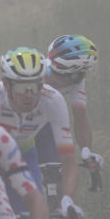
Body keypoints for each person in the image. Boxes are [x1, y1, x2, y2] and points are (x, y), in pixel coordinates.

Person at [0, 47, 83, 219]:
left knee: (36, 218)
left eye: (36, 86)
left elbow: (68, 162)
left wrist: (68, 200)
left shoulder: (53, 100)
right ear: (6, 85)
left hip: (24, 155)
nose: (30, 94)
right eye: (23, 87)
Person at [43, 35, 103, 169]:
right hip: (19, 125)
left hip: (46, 125)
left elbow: (80, 117)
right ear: (70, 72)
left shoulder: (77, 80)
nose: (82, 77)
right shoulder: (37, 73)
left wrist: (86, 151)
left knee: (58, 176)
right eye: (81, 73)